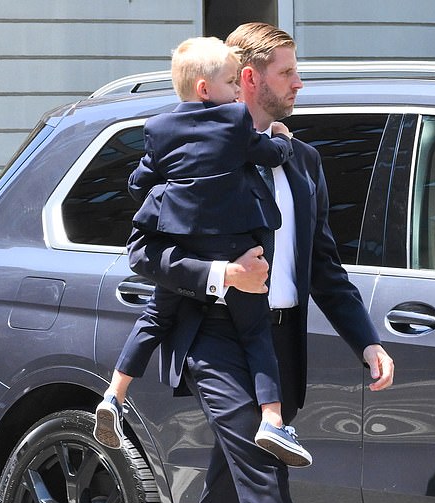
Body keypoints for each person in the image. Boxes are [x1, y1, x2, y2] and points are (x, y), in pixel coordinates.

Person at [129, 23, 395, 503]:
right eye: (286, 72)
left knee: (226, 501)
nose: (298, 83)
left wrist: (365, 338)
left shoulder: (301, 161)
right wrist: (220, 273)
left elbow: (324, 266)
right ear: (248, 79)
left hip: (279, 345)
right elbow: (144, 252)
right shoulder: (197, 153)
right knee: (266, 488)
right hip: (215, 335)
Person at [94, 36, 311, 467]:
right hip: (233, 245)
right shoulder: (234, 122)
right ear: (205, 90)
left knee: (154, 318)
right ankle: (272, 419)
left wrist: (168, 189)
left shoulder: (157, 129)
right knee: (256, 333)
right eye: (231, 82)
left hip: (180, 245)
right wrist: (285, 140)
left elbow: (140, 180)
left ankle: (114, 396)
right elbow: (267, 153)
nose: (237, 92)